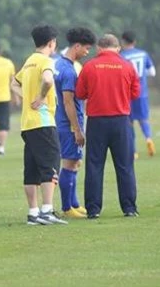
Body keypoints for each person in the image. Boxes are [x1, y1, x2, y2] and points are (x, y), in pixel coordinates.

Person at [76, 34, 140, 219]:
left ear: (99, 48)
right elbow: (135, 92)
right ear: (118, 48)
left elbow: (80, 93)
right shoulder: (127, 66)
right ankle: (129, 208)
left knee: (95, 165)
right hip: (121, 121)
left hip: (97, 122)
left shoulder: (89, 66)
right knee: (125, 165)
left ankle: (93, 209)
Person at [11, 25, 67, 225]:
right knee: (51, 165)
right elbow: (48, 80)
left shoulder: (29, 62)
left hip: (27, 124)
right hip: (43, 122)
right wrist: (41, 97)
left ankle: (33, 213)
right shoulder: (46, 61)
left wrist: (27, 98)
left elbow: (13, 84)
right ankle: (47, 210)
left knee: (31, 169)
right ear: (51, 42)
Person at [54, 27, 96, 218]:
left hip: (66, 122)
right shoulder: (69, 71)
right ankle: (66, 208)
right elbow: (68, 101)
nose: (87, 52)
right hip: (69, 123)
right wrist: (77, 129)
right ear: (77, 46)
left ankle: (74, 203)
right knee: (70, 163)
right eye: (86, 48)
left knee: (75, 162)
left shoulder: (62, 64)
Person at [120, 31, 157, 158]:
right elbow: (152, 72)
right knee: (143, 119)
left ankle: (134, 151)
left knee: (129, 123)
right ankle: (148, 138)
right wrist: (141, 76)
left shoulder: (122, 56)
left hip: (127, 94)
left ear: (123, 42)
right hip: (142, 93)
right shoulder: (143, 54)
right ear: (134, 41)